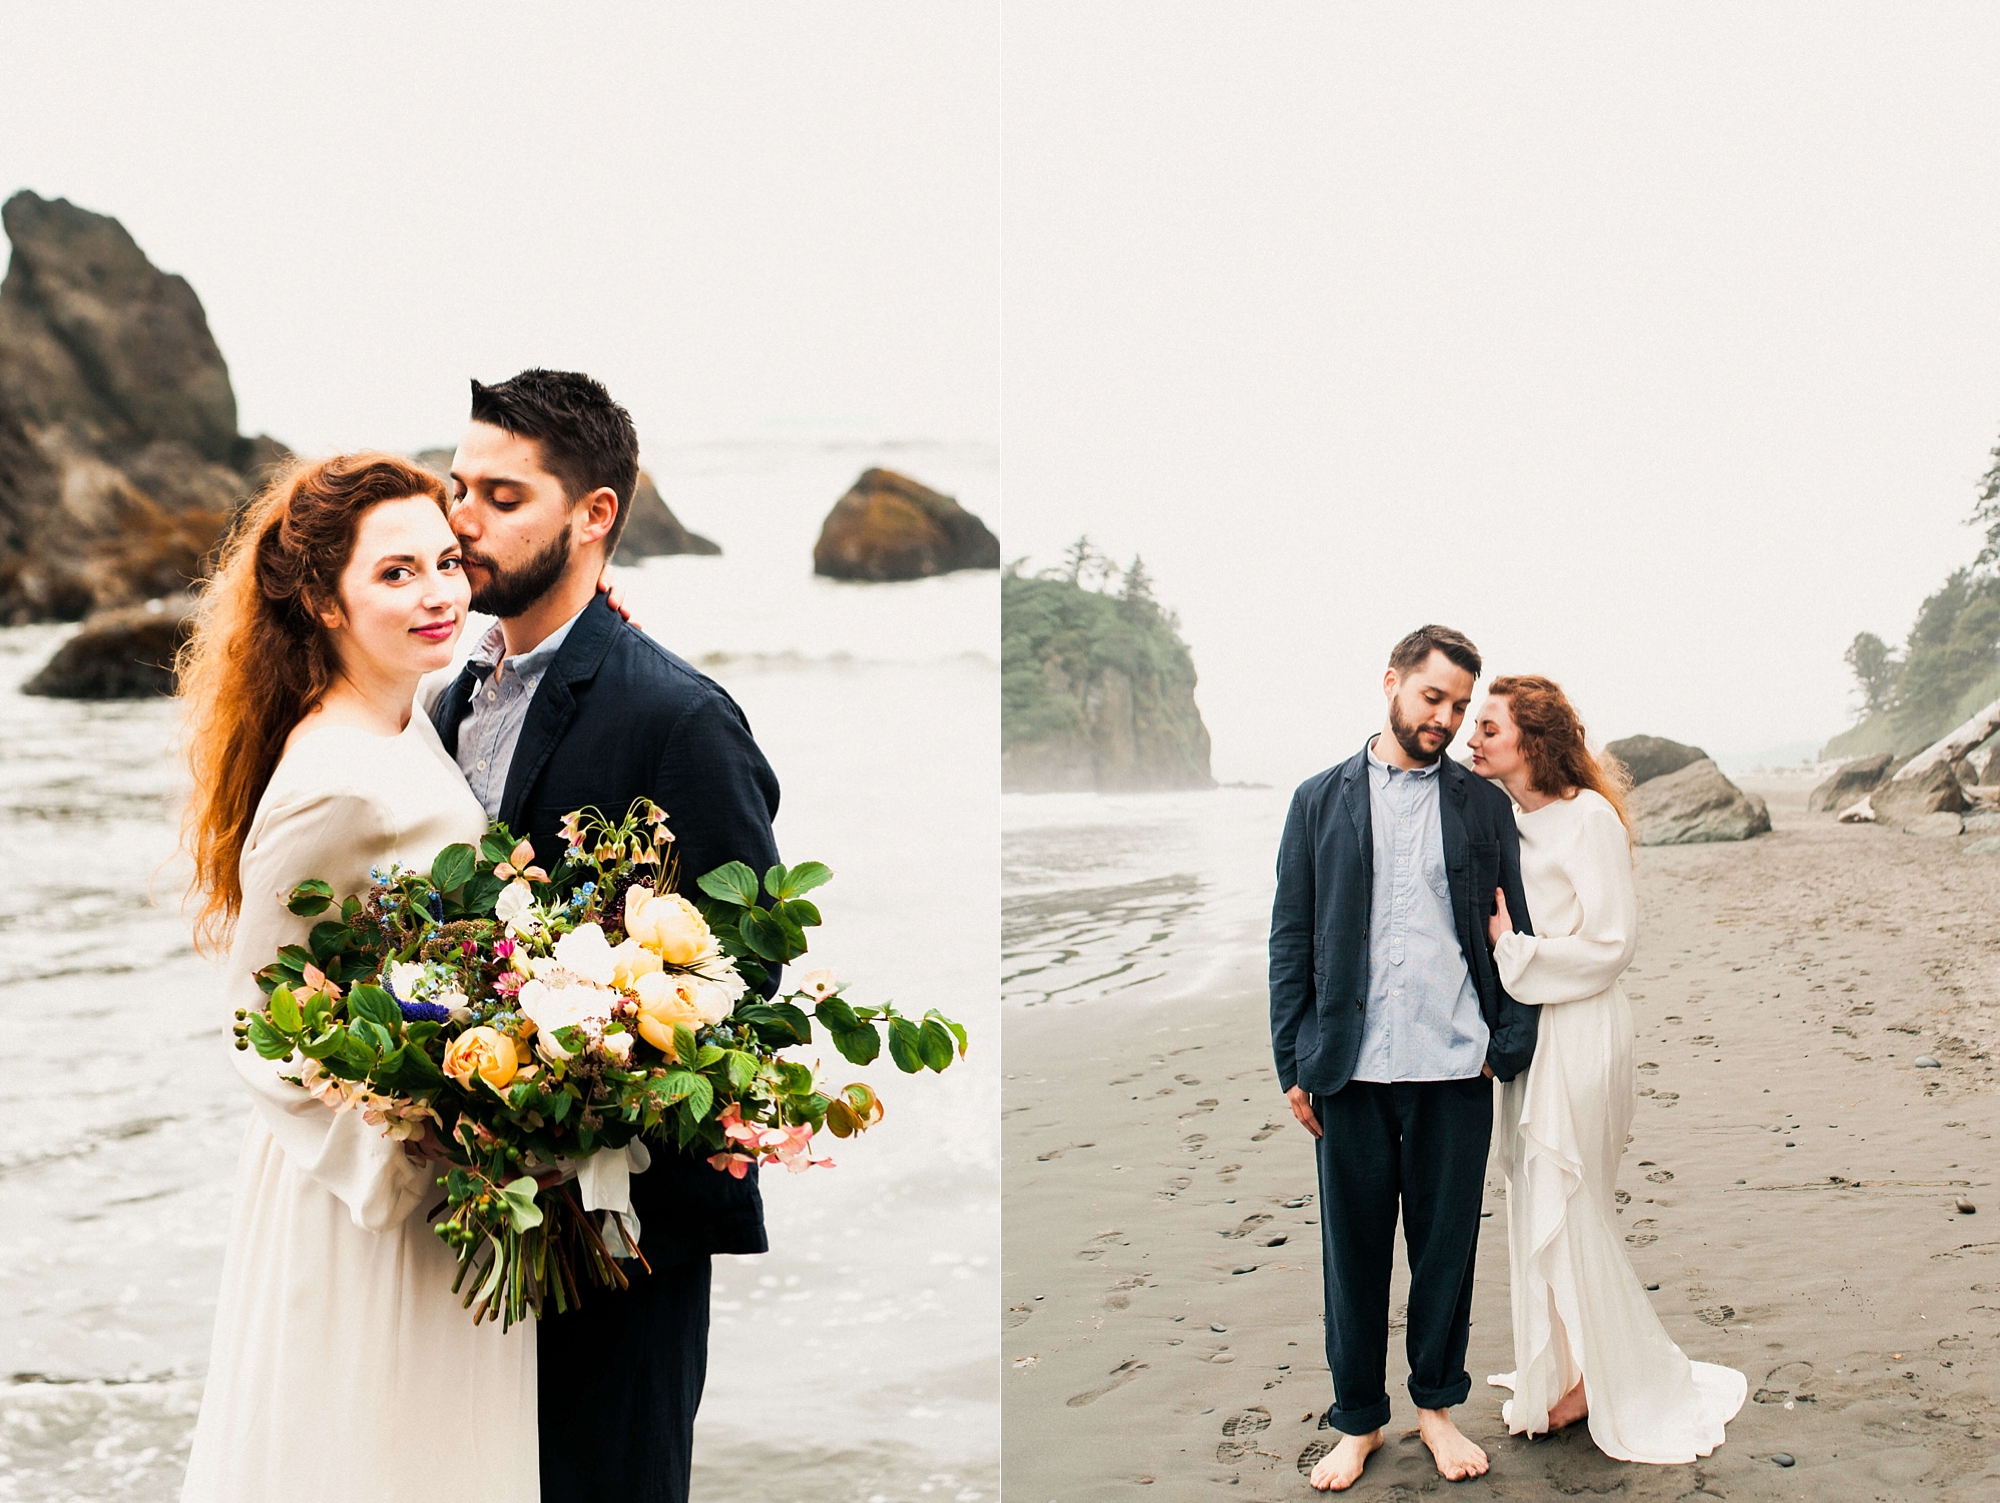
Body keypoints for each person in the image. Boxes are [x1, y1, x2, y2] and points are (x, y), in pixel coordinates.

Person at [430, 369, 780, 1503]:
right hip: (469, 1208)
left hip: (620, 1229)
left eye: (500, 495)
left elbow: (750, 965)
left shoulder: (674, 715)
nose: (460, 521)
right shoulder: (444, 704)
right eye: (455, 489)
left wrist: (592, 1050)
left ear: (595, 516)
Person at [177, 454, 537, 1501]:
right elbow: (261, 1021)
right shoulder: (331, 779)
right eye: (394, 575)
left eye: (445, 562)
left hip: (437, 1184)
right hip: (366, 1201)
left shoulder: (402, 716)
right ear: (323, 602)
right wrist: (410, 1155)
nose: (436, 595)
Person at [1268, 625, 1539, 1492]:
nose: (1448, 719)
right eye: (1433, 698)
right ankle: (1359, 1422)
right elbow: (1292, 936)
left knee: (1445, 1251)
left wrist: (1507, 1043)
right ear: (1391, 681)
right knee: (1352, 1257)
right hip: (1348, 1068)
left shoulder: (1480, 805)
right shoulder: (1319, 800)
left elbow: (1514, 928)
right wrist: (1292, 1061)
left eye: (1461, 705)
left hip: (1454, 1067)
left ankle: (1435, 1407)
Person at [1467, 676, 1747, 1462]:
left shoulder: (1588, 818)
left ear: (1532, 737)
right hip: (1532, 1028)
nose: (1472, 739)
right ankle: (1560, 1363)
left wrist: (1511, 950)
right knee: (1533, 1195)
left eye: (1489, 727)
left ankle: (1598, 1377)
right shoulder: (1508, 821)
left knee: (1572, 1196)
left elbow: (1611, 943)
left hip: (1582, 1027)